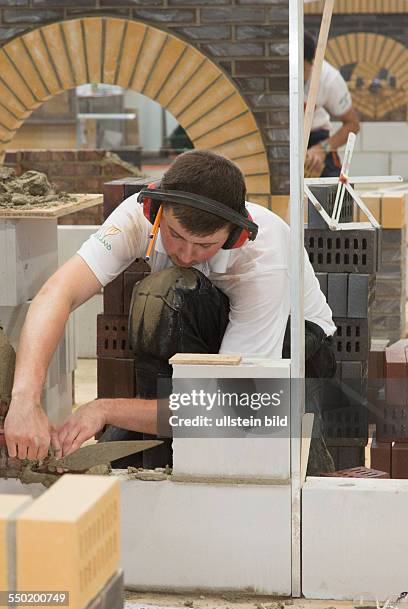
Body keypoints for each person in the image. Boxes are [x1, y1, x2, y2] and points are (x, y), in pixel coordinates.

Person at [4, 150, 337, 473]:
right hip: (211, 325)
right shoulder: (137, 218)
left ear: (234, 237)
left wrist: (105, 409)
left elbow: (231, 407)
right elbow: (58, 293)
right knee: (169, 293)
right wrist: (24, 400)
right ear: (156, 211)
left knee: (174, 293)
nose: (186, 253)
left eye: (205, 245)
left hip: (296, 342)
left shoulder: (263, 261)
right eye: (175, 235)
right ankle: (160, 438)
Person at [304, 31, 360, 178]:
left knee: (335, 194)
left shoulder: (329, 79)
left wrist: (323, 148)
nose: (294, 75)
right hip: (279, 138)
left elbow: (353, 124)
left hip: (315, 139)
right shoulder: (272, 75)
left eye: (301, 68)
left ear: (313, 62)